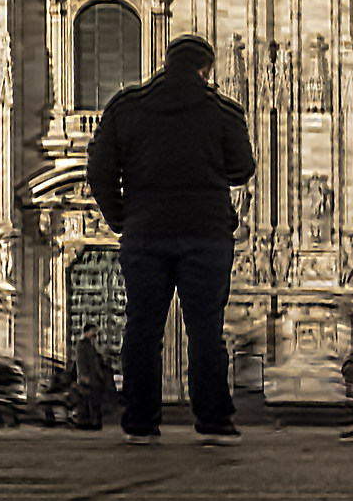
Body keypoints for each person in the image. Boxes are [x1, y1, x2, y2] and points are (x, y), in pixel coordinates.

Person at [86, 34, 256, 447]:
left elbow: (98, 169)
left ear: (165, 63)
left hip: (146, 234)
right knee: (205, 331)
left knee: (143, 328)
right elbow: (243, 169)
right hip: (206, 235)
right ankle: (213, 420)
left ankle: (141, 420)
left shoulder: (127, 106)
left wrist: (120, 216)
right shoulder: (222, 111)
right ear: (206, 69)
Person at [70, 322, 112, 430]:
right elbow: (81, 361)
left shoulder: (92, 345)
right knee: (87, 400)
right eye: (93, 331)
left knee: (93, 400)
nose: (95, 333)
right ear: (86, 332)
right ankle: (87, 422)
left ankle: (92, 421)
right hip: (88, 378)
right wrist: (83, 375)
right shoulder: (83, 345)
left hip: (94, 377)